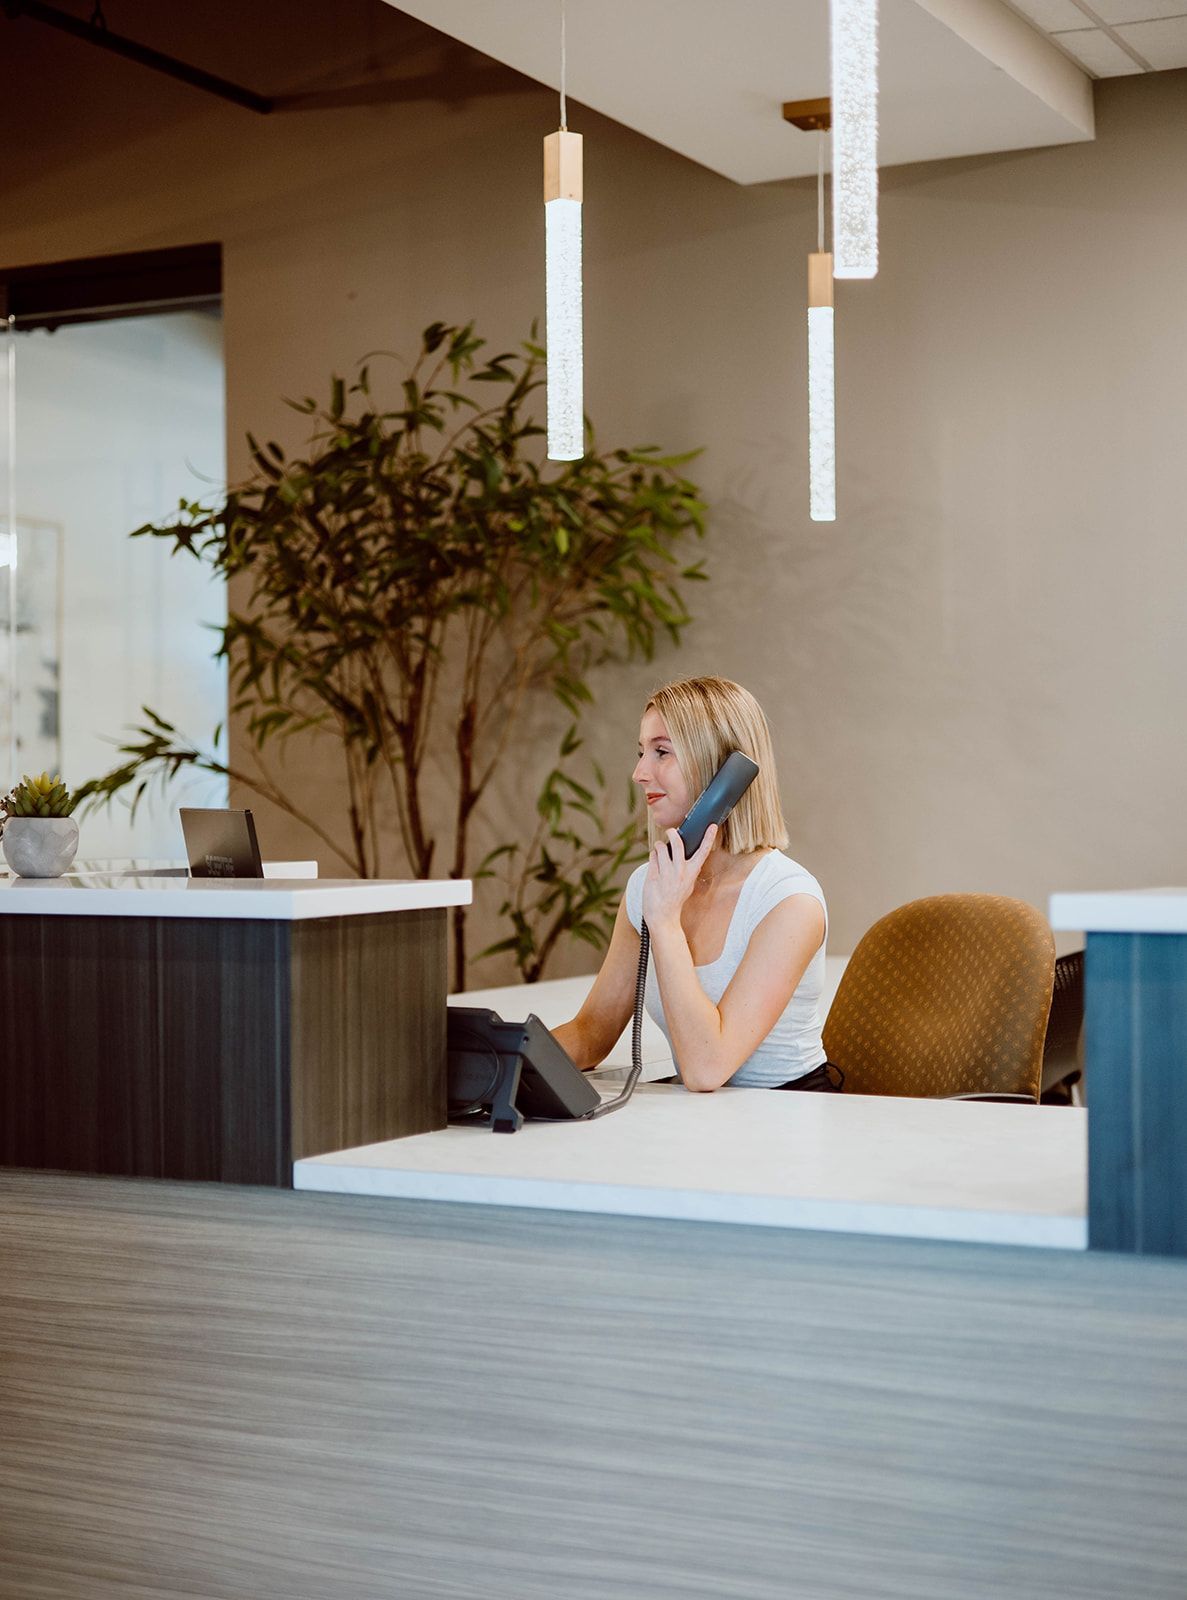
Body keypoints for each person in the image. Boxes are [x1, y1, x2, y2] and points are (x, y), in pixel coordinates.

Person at [552, 676, 837, 1092]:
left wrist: (665, 921)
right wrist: (506, 1056)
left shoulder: (788, 900)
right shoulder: (647, 886)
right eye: (641, 752)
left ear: (725, 772)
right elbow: (593, 1031)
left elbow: (706, 1069)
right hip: (700, 1122)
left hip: (786, 1119)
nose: (639, 773)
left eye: (661, 752)